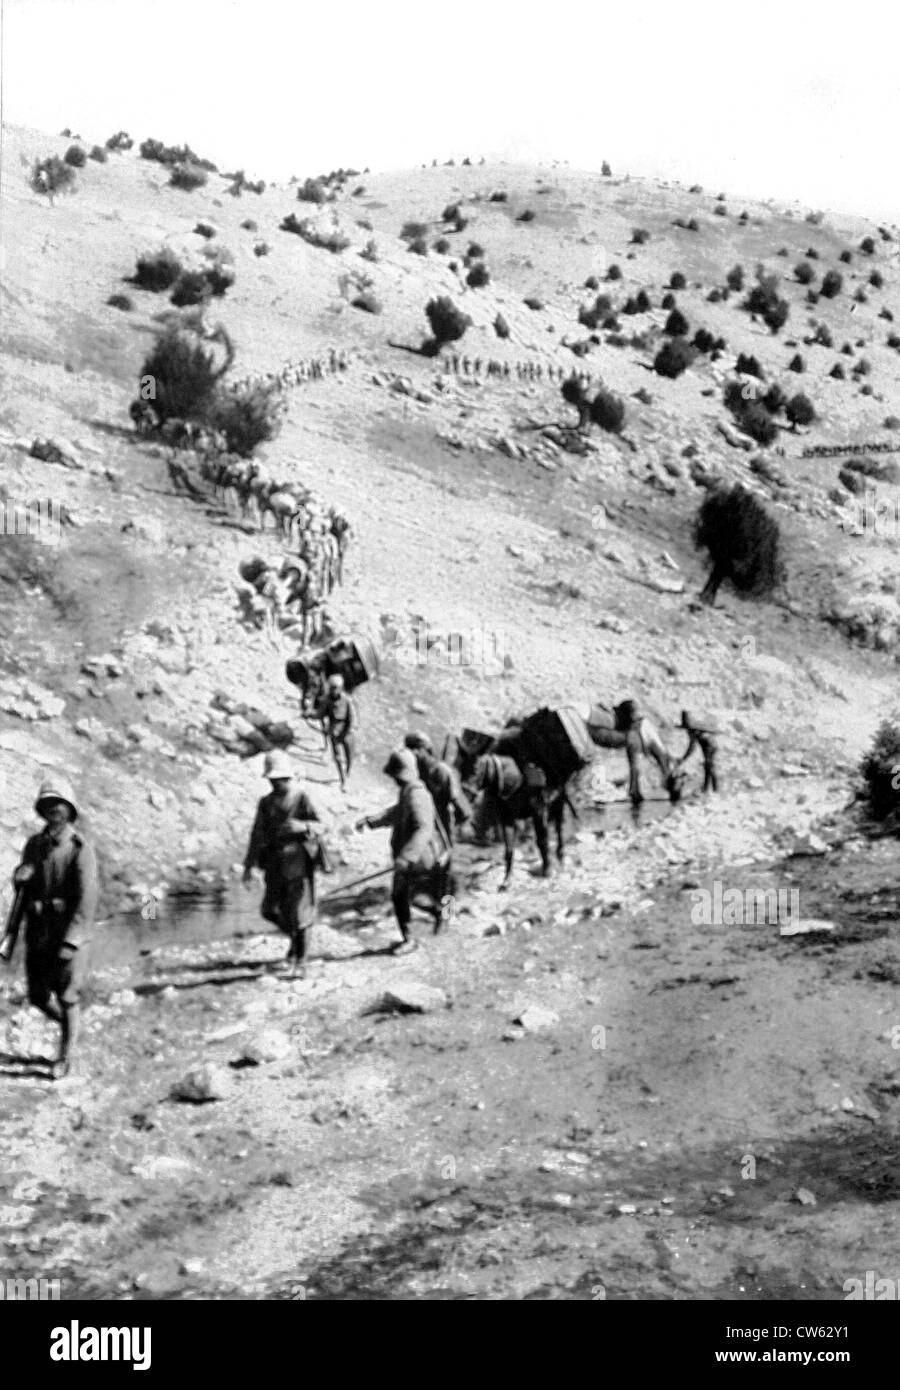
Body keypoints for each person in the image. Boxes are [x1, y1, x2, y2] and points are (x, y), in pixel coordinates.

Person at [2, 776, 98, 1080]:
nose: (53, 810)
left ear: (70, 810)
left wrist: (73, 939)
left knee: (68, 996)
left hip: (66, 932)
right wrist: (20, 876)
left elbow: (87, 899)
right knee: (38, 997)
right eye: (47, 805)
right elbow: (23, 893)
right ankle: (72, 1028)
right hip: (38, 932)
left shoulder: (80, 849)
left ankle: (66, 1054)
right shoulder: (34, 845)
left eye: (59, 805)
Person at [356, 749, 452, 954]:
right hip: (414, 855)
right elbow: (397, 812)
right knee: (408, 895)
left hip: (421, 856)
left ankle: (413, 937)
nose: (393, 780)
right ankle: (440, 913)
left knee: (403, 895)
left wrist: (406, 857)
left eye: (394, 776)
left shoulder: (417, 794)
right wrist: (371, 821)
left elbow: (423, 828)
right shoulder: (409, 791)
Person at [242, 750, 326, 976]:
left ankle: (301, 961)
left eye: (281, 779)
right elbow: (256, 834)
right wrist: (248, 865)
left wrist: (304, 827)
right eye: (273, 780)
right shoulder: (265, 802)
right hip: (274, 864)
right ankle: (294, 943)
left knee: (301, 913)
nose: (277, 783)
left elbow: (323, 825)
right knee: (270, 910)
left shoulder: (302, 798)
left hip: (299, 862)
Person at [404, 732, 472, 844]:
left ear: (425, 750)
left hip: (444, 832)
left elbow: (462, 809)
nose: (413, 754)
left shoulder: (442, 772)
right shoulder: (414, 776)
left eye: (416, 750)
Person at [319, 673, 356, 790]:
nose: (332, 690)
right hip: (334, 732)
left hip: (346, 732)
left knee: (350, 756)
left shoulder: (347, 700)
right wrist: (310, 714)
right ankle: (343, 780)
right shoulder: (326, 700)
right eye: (331, 688)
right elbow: (321, 713)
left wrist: (348, 731)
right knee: (338, 758)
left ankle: (348, 772)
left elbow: (352, 718)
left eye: (335, 688)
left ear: (340, 688)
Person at [677, 710, 720, 793]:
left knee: (709, 767)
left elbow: (692, 747)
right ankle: (709, 789)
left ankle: (711, 789)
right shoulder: (696, 731)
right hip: (711, 745)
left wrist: (684, 758)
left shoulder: (693, 732)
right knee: (708, 767)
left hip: (709, 746)